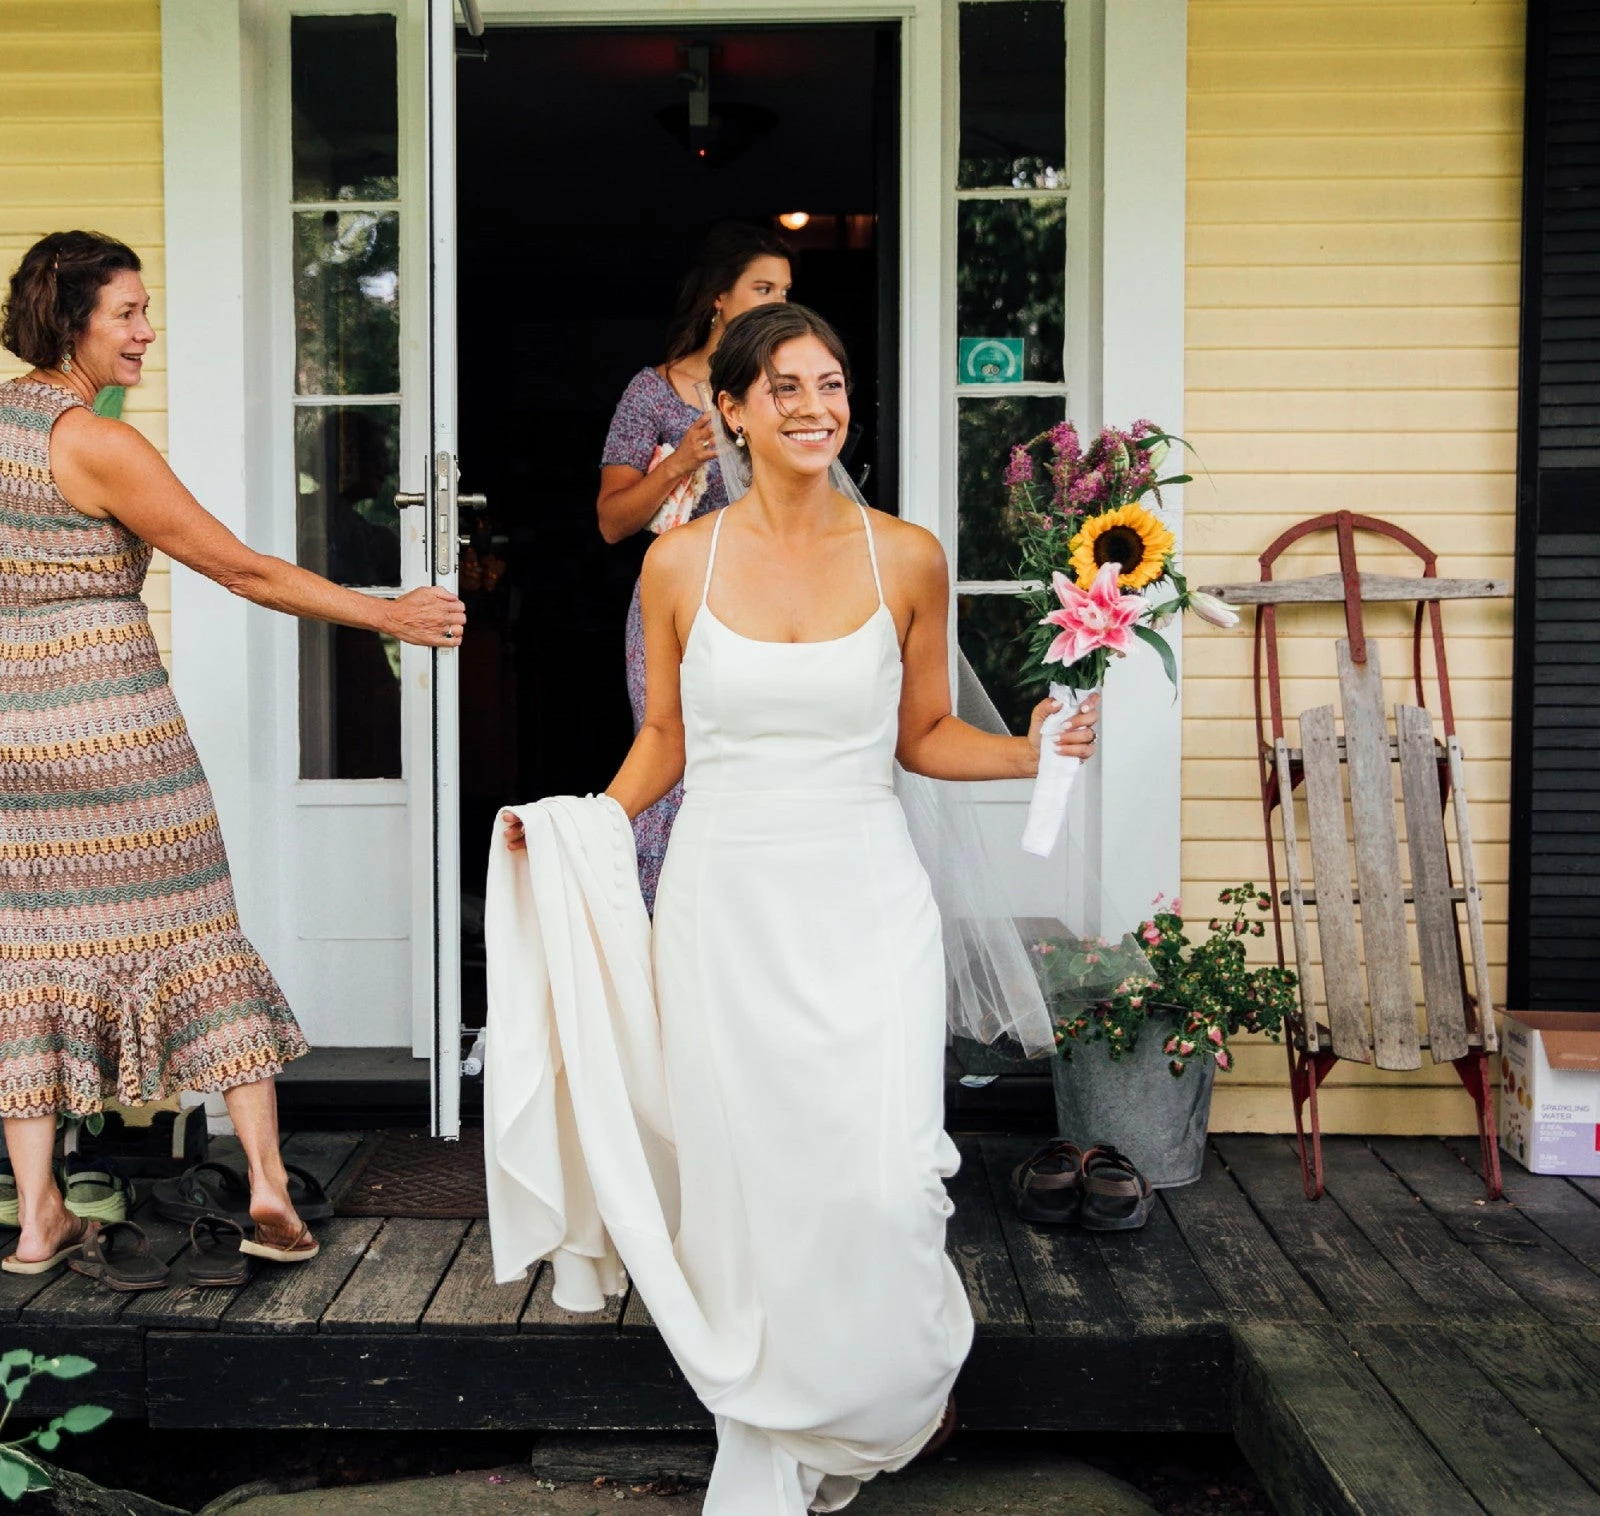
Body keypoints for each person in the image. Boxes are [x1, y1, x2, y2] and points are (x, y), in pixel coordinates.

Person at [505, 303, 1098, 1512]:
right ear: (729, 409)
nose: (815, 406)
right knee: (752, 1181)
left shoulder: (907, 555)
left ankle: (874, 1398)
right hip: (724, 907)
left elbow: (923, 735)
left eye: (829, 384)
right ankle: (776, 1425)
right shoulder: (678, 563)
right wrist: (578, 826)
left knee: (883, 1176)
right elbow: (663, 740)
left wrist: (1028, 751)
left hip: (865, 902)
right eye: (784, 386)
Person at [0, 230, 465, 1275]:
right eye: (127, 313)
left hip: (13, 735)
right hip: (115, 726)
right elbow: (242, 570)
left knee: (24, 960)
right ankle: (265, 1188)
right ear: (72, 320)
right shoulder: (93, 441)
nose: (145, 331)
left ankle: (37, 1220)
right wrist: (388, 615)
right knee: (200, 937)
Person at [595, 222, 793, 908]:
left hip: (769, 600)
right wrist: (680, 460)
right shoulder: (652, 393)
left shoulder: (784, 391)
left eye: (785, 292)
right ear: (719, 298)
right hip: (675, 602)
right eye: (762, 288)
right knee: (670, 755)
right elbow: (612, 521)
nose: (777, 304)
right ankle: (661, 921)